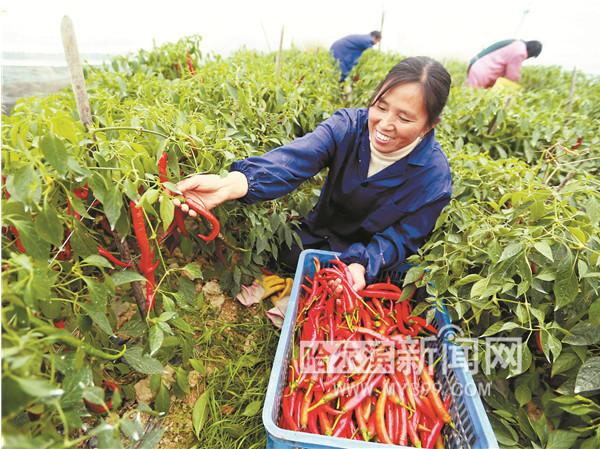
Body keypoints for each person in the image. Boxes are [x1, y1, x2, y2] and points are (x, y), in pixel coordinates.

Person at [174, 56, 452, 291]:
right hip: (319, 235)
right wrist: (231, 184)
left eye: (404, 118)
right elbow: (296, 158)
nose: (385, 124)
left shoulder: (433, 178)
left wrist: (364, 264)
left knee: (356, 286)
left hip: (367, 261)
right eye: (380, 106)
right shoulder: (348, 127)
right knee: (287, 256)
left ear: (430, 125)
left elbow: (403, 237)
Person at [466, 39, 542, 89]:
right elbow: (512, 75)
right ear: (531, 53)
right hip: (482, 71)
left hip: (476, 66)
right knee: (472, 97)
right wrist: (519, 87)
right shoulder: (520, 52)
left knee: (469, 94)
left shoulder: (516, 43)